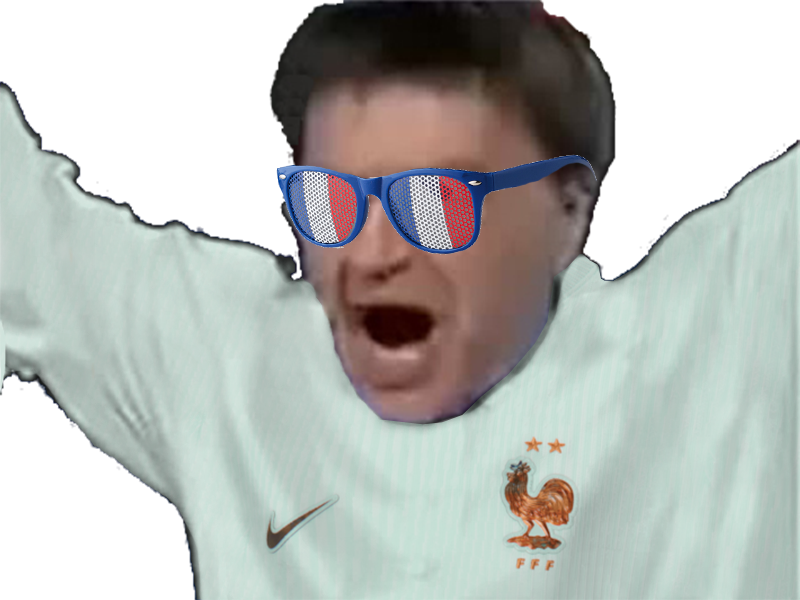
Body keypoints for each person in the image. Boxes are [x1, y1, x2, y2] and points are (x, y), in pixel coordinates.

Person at [0, 2, 796, 599]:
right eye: (328, 203)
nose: (371, 255)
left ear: (568, 211)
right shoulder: (232, 360)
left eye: (436, 204)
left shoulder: (718, 336)